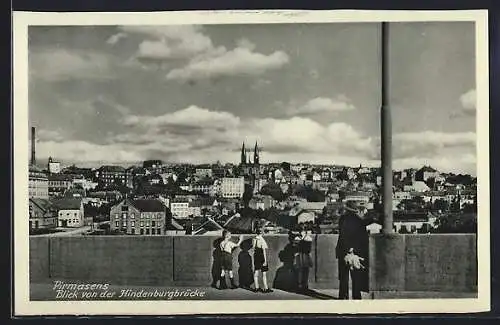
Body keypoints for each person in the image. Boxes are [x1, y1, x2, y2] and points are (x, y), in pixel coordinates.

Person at [335, 200, 372, 300]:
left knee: (343, 277)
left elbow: (343, 235)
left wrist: (347, 248)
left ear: (346, 209)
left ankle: (343, 296)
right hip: (356, 252)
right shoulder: (359, 221)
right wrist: (354, 248)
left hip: (343, 251)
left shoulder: (343, 219)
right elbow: (362, 238)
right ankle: (356, 296)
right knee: (356, 277)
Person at [252, 228, 273, 293]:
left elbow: (253, 249)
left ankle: (256, 287)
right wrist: (265, 260)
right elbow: (263, 250)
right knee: (264, 273)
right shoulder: (262, 240)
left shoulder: (254, 239)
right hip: (261, 257)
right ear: (261, 233)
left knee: (256, 273)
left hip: (256, 256)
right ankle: (266, 288)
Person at [295, 223, 313, 292]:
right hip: (302, 255)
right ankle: (301, 285)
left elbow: (308, 249)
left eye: (302, 231)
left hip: (304, 255)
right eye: (300, 231)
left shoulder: (307, 238)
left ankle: (304, 285)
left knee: (304, 270)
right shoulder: (299, 238)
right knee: (301, 270)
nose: (301, 232)